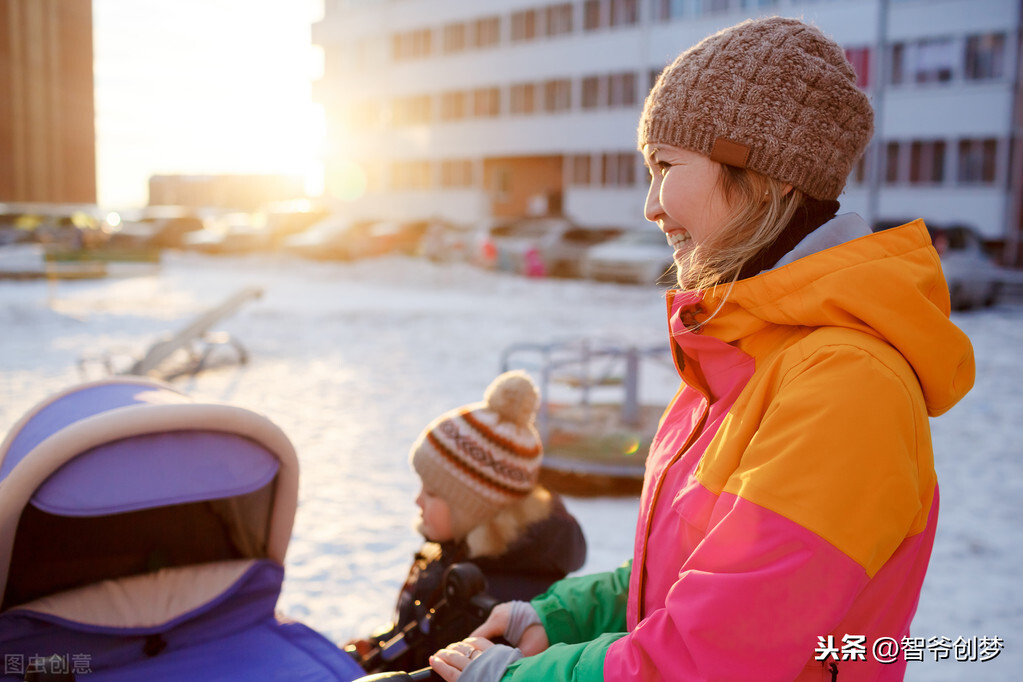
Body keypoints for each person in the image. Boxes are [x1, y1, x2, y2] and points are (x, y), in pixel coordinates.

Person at [428, 16, 975, 682]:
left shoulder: (844, 385)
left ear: (765, 173)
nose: (650, 207)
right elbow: (693, 567)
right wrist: (565, 614)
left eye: (664, 167)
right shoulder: (744, 355)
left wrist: (509, 679)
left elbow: (712, 658)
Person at [347, 370, 587, 673]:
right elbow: (419, 632)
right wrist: (377, 647)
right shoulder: (449, 549)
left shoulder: (500, 602)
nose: (417, 501)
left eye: (432, 492)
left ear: (473, 508)